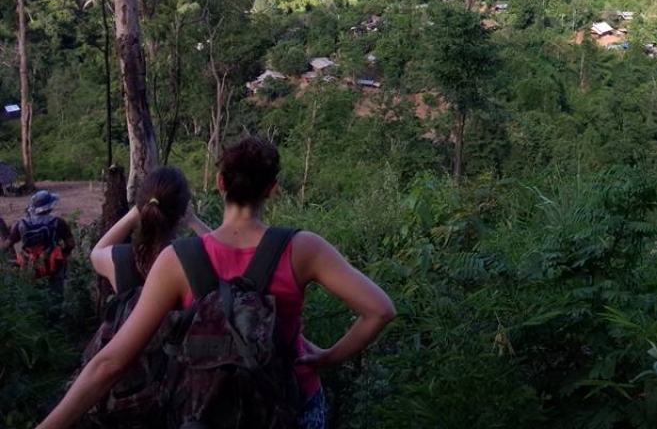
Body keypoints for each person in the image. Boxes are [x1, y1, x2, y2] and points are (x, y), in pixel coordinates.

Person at [37, 137, 396, 429]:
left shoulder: (177, 261)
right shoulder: (302, 248)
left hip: (207, 410)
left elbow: (111, 362)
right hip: (291, 404)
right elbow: (379, 311)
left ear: (219, 183)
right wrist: (328, 357)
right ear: (272, 189)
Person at [90, 165, 210, 292]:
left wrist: (133, 214)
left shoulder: (121, 259)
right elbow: (225, 254)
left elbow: (96, 253)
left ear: (142, 205)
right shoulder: (192, 258)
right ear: (183, 209)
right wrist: (193, 220)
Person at [2, 190, 75, 295]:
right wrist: (64, 253)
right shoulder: (58, 222)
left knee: (32, 299)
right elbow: (71, 244)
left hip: (29, 267)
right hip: (54, 266)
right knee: (56, 300)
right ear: (50, 206)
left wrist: (11, 261)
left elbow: (7, 244)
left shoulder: (21, 223)